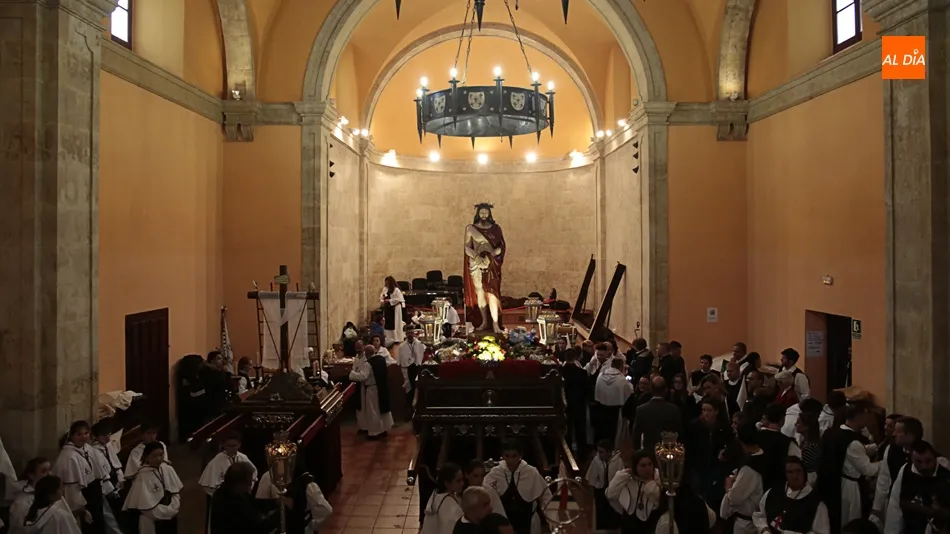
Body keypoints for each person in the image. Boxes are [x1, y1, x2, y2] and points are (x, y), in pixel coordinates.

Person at [817, 404, 880, 531]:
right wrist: (885, 462)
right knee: (850, 519)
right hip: (849, 488)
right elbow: (869, 469)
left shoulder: (832, 432)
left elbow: (849, 453)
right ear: (859, 416)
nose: (868, 420)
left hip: (832, 485)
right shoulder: (853, 442)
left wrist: (876, 447)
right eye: (866, 416)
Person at [873, 416, 932, 528]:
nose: (893, 434)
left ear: (910, 436)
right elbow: (884, 479)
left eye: (898, 431)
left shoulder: (927, 455)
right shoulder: (891, 450)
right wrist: (877, 507)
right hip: (895, 503)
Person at [483, 440, 551, 534]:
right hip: (504, 525)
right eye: (507, 456)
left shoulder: (531, 472)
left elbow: (546, 497)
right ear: (502, 455)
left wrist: (553, 521)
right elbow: (485, 495)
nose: (510, 460)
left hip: (528, 523)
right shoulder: (495, 473)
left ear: (520, 455)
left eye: (514, 456)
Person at [52, 421, 108, 534]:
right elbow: (71, 486)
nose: (83, 437)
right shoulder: (68, 456)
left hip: (94, 491)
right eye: (79, 434)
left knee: (98, 522)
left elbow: (97, 470)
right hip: (83, 495)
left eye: (86, 433)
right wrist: (78, 505)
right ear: (72, 436)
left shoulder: (87, 448)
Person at [884, 440, 950, 534]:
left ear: (935, 458)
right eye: (918, 462)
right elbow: (896, 504)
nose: (924, 466)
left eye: (928, 461)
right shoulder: (905, 471)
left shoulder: (946, 475)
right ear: (912, 460)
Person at [752, 456, 830, 534]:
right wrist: (764, 529)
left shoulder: (816, 503)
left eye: (798, 471)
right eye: (790, 472)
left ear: (804, 473)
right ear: (785, 474)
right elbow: (759, 515)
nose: (795, 476)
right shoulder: (773, 492)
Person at [463, 203, 506, 333]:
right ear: (477, 213)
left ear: (489, 214)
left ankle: (495, 324)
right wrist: (476, 257)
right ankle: (484, 321)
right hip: (476, 264)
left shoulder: (496, 229)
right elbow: (467, 247)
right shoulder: (470, 229)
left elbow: (501, 247)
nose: (483, 215)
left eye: (486, 212)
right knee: (480, 293)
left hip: (491, 264)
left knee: (492, 293)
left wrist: (490, 256)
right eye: (481, 212)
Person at [198, 432, 257, 527]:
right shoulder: (217, 460)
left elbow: (253, 475)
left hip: (241, 499)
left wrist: (247, 488)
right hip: (224, 502)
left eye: (234, 445)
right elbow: (208, 484)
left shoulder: (243, 458)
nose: (231, 448)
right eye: (228, 446)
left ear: (239, 445)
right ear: (223, 445)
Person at [123, 442, 182, 534]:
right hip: (151, 520)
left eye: (161, 455)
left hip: (170, 517)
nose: (159, 459)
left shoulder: (168, 469)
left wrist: (173, 508)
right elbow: (145, 508)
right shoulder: (142, 476)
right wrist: (167, 512)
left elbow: (175, 493)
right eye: (154, 456)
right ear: (147, 457)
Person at [720, 423, 767, 534]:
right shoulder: (763, 456)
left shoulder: (750, 468)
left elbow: (734, 498)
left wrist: (728, 485)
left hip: (745, 524)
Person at [685, 398, 733, 507]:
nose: (706, 413)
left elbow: (729, 444)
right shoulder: (694, 425)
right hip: (697, 467)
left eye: (709, 410)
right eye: (704, 410)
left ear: (716, 411)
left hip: (715, 466)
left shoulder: (723, 427)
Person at [255, 468, 332, 534]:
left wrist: (309, 526)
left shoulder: (305, 482)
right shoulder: (268, 477)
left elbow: (326, 510)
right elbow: (260, 507)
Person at [209, 463, 278, 534]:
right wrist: (279, 516)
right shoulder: (227, 503)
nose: (250, 485)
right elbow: (256, 529)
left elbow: (254, 502)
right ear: (239, 483)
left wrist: (276, 502)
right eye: (248, 482)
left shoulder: (233, 491)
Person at [606, 450, 661, 534]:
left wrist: (650, 483)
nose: (648, 468)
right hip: (630, 521)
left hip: (651, 522)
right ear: (635, 467)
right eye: (643, 465)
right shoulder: (627, 479)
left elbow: (660, 501)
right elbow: (611, 494)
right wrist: (620, 476)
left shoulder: (657, 478)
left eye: (650, 464)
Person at [349, 345, 394, 439]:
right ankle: (383, 429)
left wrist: (352, 373)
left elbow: (363, 376)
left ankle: (374, 432)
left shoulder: (368, 363)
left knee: (372, 410)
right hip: (381, 388)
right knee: (381, 410)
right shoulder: (381, 359)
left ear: (366, 353)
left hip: (371, 389)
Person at [88, 423, 123, 534]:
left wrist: (121, 478)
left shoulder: (107, 446)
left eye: (108, 434)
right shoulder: (94, 451)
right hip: (105, 485)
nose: (107, 438)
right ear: (96, 436)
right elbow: (101, 472)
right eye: (104, 435)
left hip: (115, 480)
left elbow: (115, 462)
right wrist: (110, 489)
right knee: (109, 514)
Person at [630, 377, 682, 452]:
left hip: (648, 451)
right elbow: (679, 434)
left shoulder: (641, 410)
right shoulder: (674, 410)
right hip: (668, 452)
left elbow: (636, 436)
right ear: (665, 390)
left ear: (651, 389)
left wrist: (638, 453)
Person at [760, 403, 803, 489]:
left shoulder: (754, 437)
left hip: (756, 486)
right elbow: (799, 462)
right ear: (782, 419)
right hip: (777, 487)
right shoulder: (787, 442)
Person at [594, 357, 633, 445]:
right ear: (621, 366)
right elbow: (629, 392)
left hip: (601, 408)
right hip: (615, 411)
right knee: (614, 435)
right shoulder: (621, 379)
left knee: (602, 432)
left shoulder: (601, 375)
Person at [585, 440, 623, 531]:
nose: (599, 454)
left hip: (613, 491)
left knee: (613, 517)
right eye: (598, 451)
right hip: (600, 491)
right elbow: (591, 477)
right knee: (600, 515)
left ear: (610, 452)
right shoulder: (596, 460)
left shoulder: (617, 461)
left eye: (602, 452)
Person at [560, 348, 590, 455]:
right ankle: (582, 451)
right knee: (580, 428)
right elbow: (587, 390)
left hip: (564, 405)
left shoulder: (560, 372)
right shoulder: (582, 373)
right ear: (576, 358)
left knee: (566, 428)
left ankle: (567, 450)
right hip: (579, 404)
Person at [10, 458, 52, 534]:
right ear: (31, 475)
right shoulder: (22, 502)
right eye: (43, 471)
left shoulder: (50, 495)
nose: (49, 474)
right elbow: (23, 529)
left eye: (49, 470)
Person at [421, 463, 464, 534]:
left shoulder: (436, 496)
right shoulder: (448, 505)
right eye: (458, 481)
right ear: (447, 483)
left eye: (462, 479)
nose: (462, 483)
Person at [398, 329, 425, 412]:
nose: (410, 334)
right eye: (408, 333)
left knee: (418, 387)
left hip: (417, 367)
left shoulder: (420, 344)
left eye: (411, 333)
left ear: (414, 334)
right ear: (406, 334)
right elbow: (400, 359)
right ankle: (409, 409)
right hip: (407, 368)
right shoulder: (402, 346)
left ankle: (419, 408)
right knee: (409, 389)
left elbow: (422, 355)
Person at [380, 276, 405, 344]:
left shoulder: (396, 290)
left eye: (387, 283)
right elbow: (381, 297)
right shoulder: (385, 289)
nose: (386, 284)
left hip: (395, 308)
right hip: (388, 309)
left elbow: (399, 299)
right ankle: (389, 338)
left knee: (395, 323)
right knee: (388, 323)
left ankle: (396, 338)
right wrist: (383, 300)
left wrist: (390, 300)